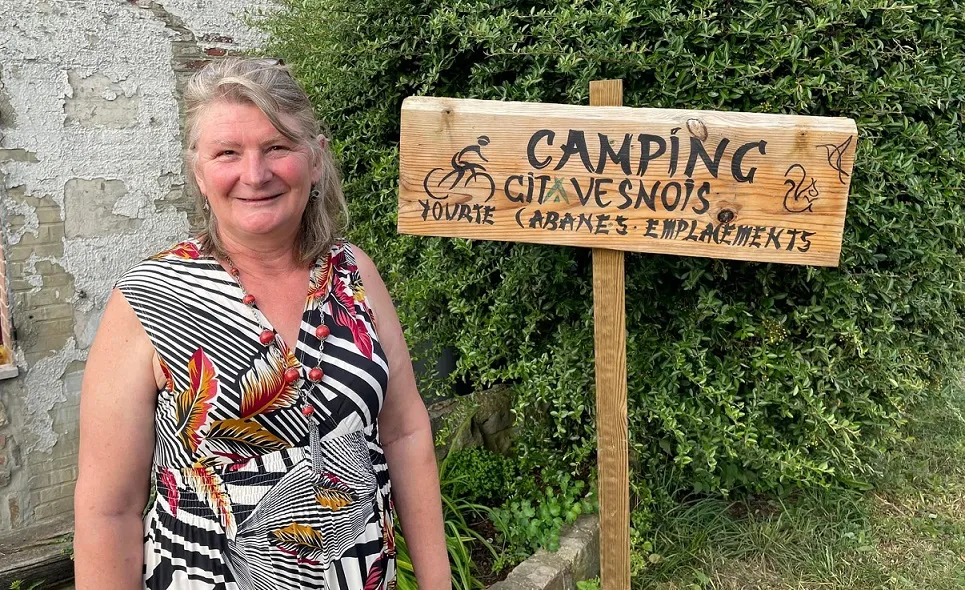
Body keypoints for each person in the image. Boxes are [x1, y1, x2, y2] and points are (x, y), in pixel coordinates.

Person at [74, 57, 449, 590]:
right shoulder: (149, 299)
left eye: (277, 147)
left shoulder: (353, 274)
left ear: (315, 159)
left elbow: (405, 432)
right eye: (227, 152)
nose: (255, 174)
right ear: (200, 172)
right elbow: (108, 511)